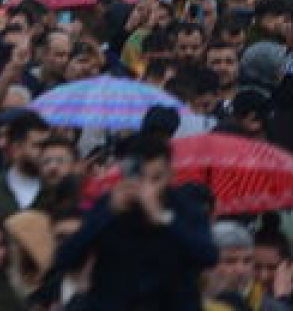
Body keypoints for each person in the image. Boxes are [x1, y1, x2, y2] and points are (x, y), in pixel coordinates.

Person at [44, 133, 218, 311]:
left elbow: (207, 256)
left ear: (170, 175)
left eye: (155, 178)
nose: (146, 187)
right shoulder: (108, 205)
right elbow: (65, 257)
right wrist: (107, 215)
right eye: (140, 177)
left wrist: (164, 219)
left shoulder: (186, 209)